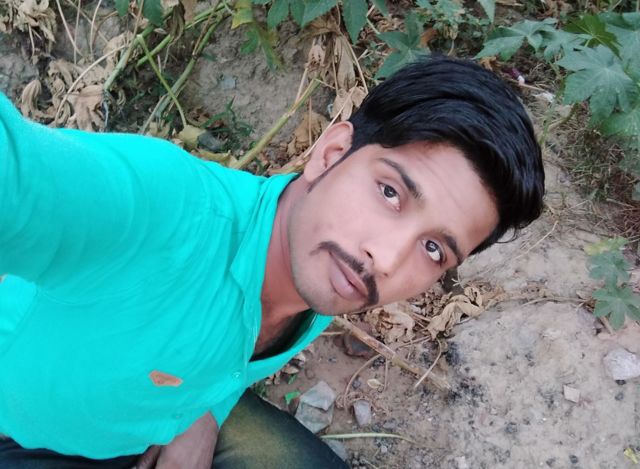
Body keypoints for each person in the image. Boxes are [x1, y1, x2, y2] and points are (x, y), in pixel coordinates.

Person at [0, 56, 544, 468]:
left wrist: (200, 414)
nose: (385, 258)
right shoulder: (162, 209)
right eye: (390, 192)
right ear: (331, 153)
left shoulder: (326, 270)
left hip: (152, 418)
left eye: (433, 249)